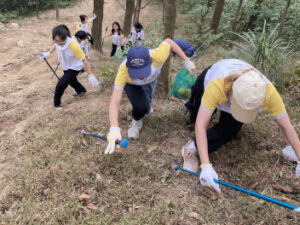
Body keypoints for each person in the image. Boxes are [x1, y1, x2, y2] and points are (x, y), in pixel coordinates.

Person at [181, 58, 300, 193]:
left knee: (229, 131)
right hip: (209, 79)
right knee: (196, 117)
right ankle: (194, 105)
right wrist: (206, 165)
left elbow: (286, 126)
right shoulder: (217, 85)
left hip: (231, 93)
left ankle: (191, 147)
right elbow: (200, 126)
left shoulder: (269, 94)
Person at [104, 38, 196, 154]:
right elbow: (114, 102)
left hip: (151, 80)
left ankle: (148, 105)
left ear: (150, 61)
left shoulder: (158, 56)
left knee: (148, 101)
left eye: (143, 72)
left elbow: (169, 42)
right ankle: (137, 120)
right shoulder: (123, 71)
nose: (140, 77)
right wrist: (114, 128)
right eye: (136, 73)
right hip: (132, 84)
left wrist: (186, 59)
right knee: (141, 107)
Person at [40, 25, 98, 109]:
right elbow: (55, 46)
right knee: (72, 81)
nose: (59, 43)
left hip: (75, 66)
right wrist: (48, 53)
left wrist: (90, 75)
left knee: (61, 84)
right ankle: (81, 91)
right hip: (66, 65)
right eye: (56, 41)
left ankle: (56, 104)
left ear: (66, 37)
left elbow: (84, 60)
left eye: (62, 41)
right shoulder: (57, 42)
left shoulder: (73, 45)